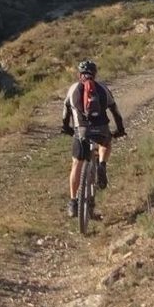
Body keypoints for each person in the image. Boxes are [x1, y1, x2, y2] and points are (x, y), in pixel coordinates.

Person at [60, 59, 125, 218]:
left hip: (81, 130)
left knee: (76, 163)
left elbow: (65, 114)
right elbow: (115, 111)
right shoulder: (102, 88)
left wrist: (66, 128)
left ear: (79, 74)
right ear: (95, 74)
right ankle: (102, 164)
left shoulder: (73, 88)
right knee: (106, 143)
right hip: (101, 129)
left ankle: (73, 202)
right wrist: (120, 129)